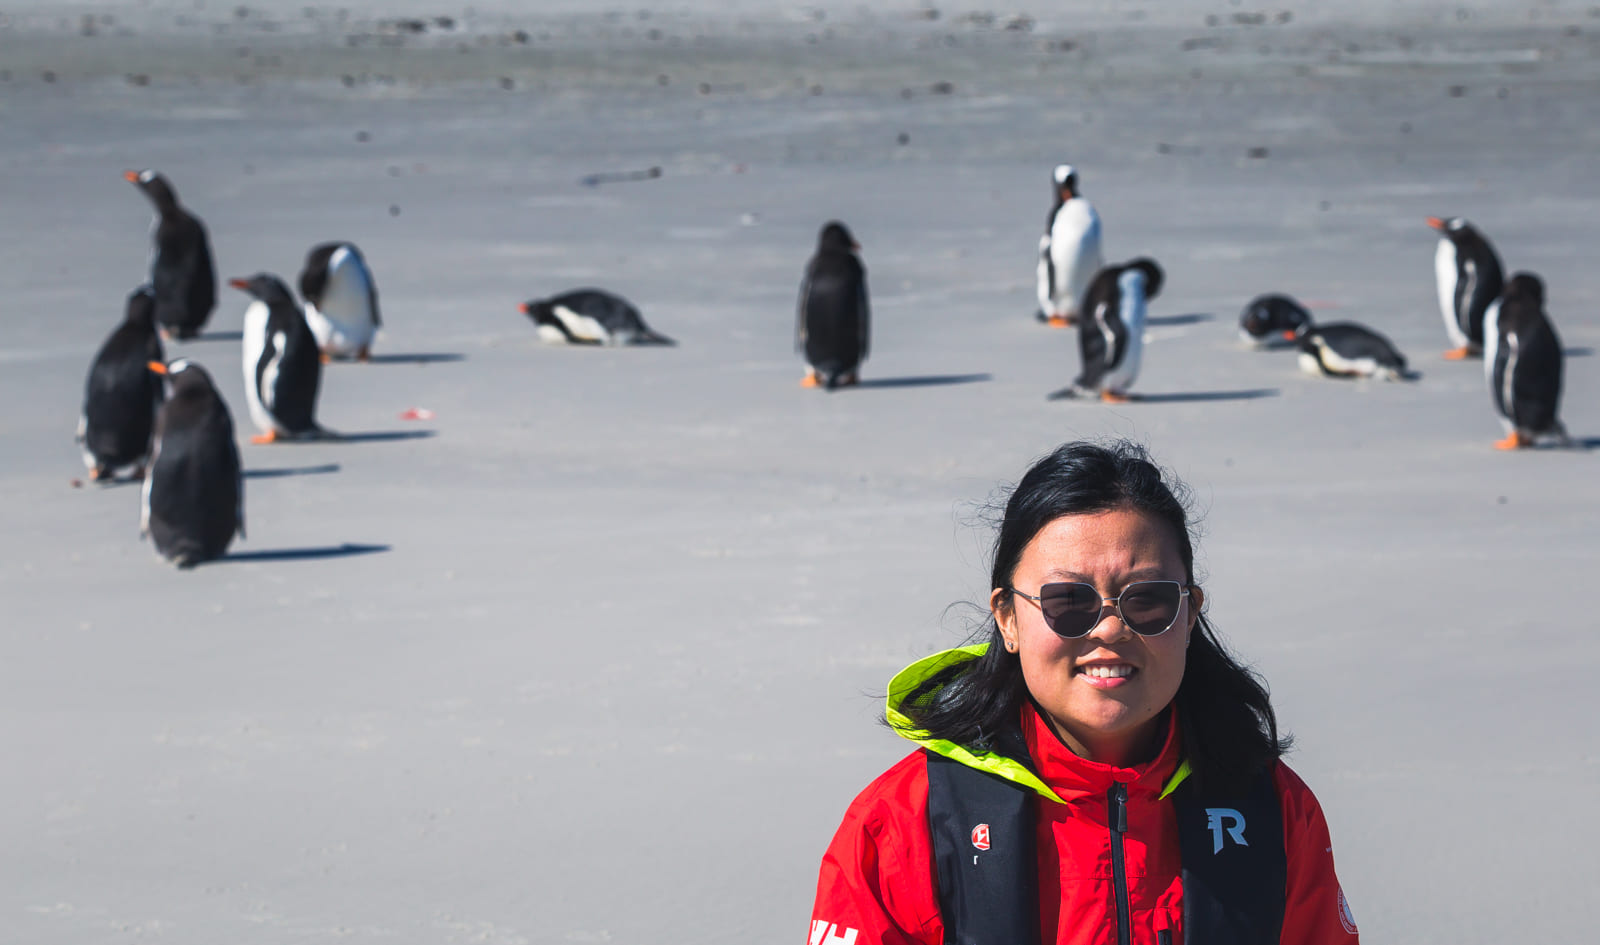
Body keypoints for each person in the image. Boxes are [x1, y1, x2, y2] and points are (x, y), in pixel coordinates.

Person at [809, 440, 1358, 945]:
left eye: (1148, 601)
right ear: (1009, 619)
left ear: (1189, 614)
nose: (1110, 630)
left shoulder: (1273, 809)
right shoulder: (907, 819)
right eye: (1069, 602)